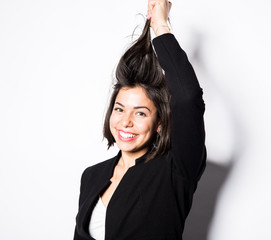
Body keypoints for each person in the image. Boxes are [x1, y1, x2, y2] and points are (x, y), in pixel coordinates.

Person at [73, 0, 206, 239]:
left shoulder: (174, 171)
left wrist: (160, 26)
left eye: (141, 112)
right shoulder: (91, 176)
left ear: (160, 123)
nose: (126, 121)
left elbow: (188, 97)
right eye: (120, 109)